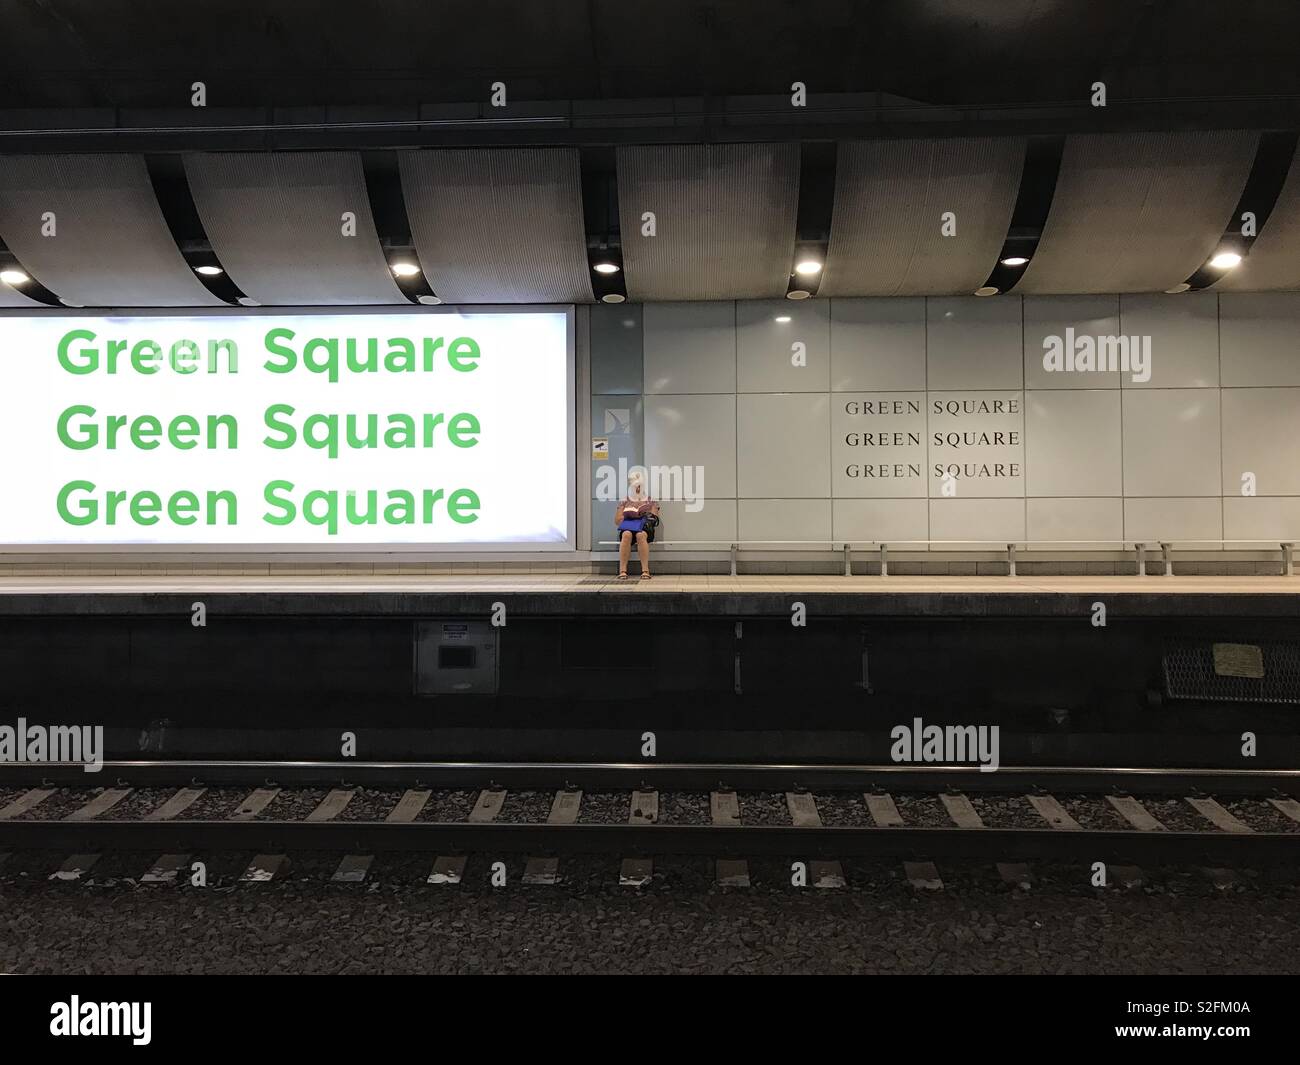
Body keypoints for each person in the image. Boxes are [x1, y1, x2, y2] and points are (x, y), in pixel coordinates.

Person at [614, 471, 660, 580]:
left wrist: (645, 514)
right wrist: (628, 514)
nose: (637, 489)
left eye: (639, 486)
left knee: (640, 535)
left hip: (644, 528)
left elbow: (655, 518)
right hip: (629, 527)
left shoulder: (650, 500)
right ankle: (622, 570)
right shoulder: (625, 500)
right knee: (626, 534)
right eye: (635, 486)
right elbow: (617, 520)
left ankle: (645, 570)